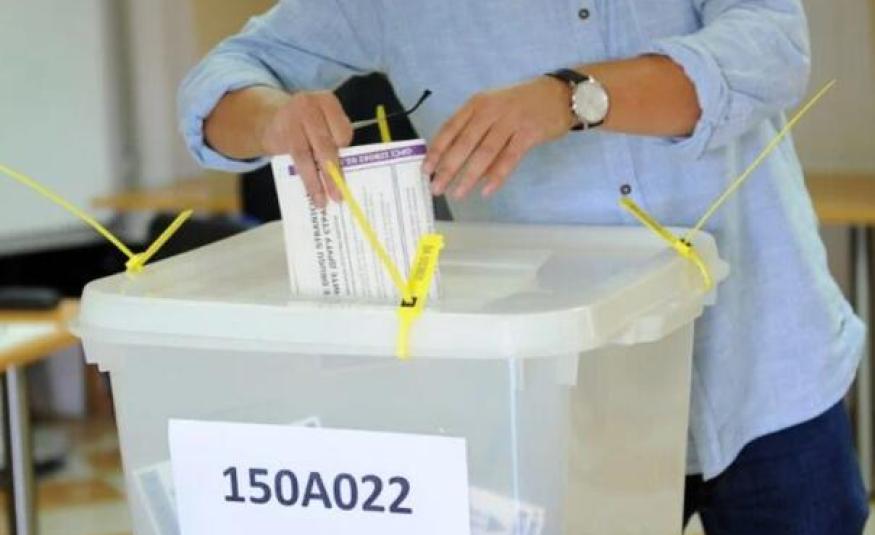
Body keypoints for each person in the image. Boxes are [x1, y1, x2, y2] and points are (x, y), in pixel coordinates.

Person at [178, 1, 869, 532]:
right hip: (569, 400)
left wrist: (571, 97)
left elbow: (774, 46)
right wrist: (272, 118)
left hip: (768, 373)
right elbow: (219, 82)